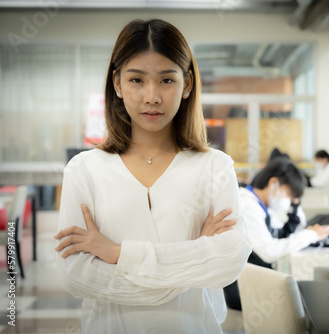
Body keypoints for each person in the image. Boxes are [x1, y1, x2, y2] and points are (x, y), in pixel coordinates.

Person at [54, 19, 252, 334]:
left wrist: (118, 253)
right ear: (117, 83)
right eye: (136, 80)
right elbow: (75, 274)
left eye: (166, 80)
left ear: (187, 84)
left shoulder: (215, 167)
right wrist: (195, 253)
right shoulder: (84, 169)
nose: (151, 96)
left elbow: (228, 260)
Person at [224, 158, 329, 310]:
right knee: (308, 297)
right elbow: (269, 251)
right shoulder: (247, 205)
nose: (288, 201)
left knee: (307, 293)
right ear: (273, 183)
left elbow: (286, 232)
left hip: (254, 279)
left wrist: (296, 207)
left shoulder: (261, 205)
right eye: (289, 195)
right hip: (242, 289)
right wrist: (310, 235)